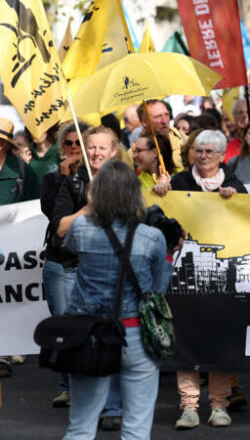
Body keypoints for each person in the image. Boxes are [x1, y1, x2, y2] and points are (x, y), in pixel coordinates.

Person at [61, 159, 172, 439]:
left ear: (96, 193)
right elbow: (157, 289)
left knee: (81, 425)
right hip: (136, 334)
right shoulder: (153, 237)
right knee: (137, 427)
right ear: (134, 193)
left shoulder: (81, 228)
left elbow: (69, 248)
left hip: (90, 333)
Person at [152, 129, 246, 429]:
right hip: (182, 277)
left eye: (209, 152)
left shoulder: (235, 185)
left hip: (220, 280)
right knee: (186, 339)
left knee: (218, 339)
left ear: (222, 156)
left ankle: (219, 404)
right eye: (199, 151)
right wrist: (161, 191)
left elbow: (249, 223)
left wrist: (236, 200)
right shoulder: (179, 183)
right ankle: (189, 406)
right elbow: (159, 215)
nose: (203, 156)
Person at [51, 125, 126, 431]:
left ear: (114, 151)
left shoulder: (124, 181)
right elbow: (60, 227)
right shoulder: (72, 183)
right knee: (82, 341)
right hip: (75, 270)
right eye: (91, 147)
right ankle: (86, 406)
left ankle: (113, 406)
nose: (95, 153)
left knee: (113, 338)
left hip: (114, 272)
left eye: (102, 147)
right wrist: (89, 208)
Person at [39, 122, 90, 407]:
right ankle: (68, 387)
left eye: (78, 142)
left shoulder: (96, 177)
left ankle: (85, 384)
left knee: (88, 323)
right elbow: (51, 212)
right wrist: (63, 178)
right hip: (60, 260)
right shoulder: (52, 178)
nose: (73, 147)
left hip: (88, 261)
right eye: (68, 143)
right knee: (63, 323)